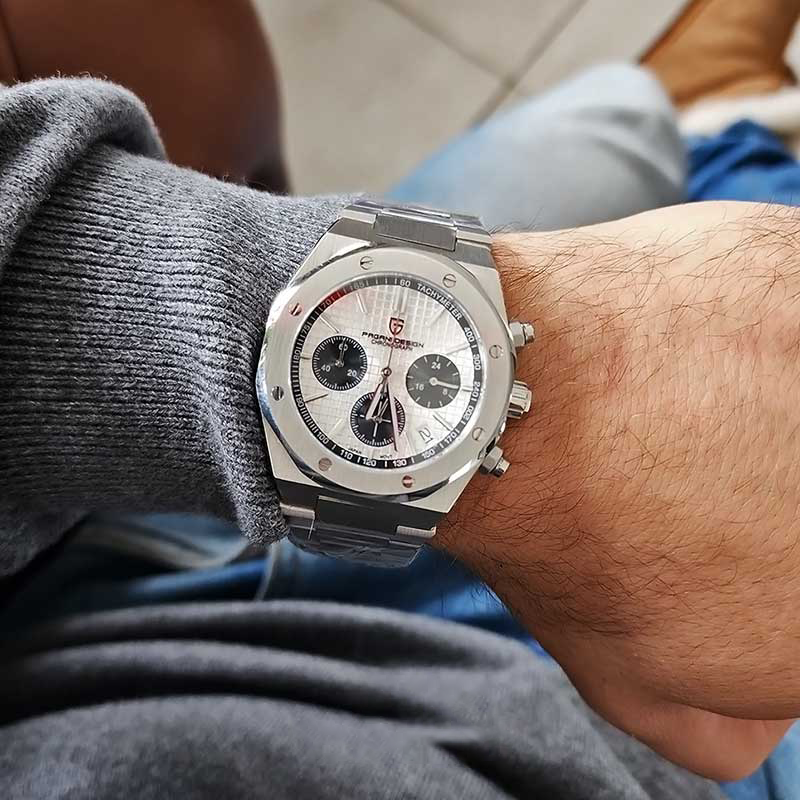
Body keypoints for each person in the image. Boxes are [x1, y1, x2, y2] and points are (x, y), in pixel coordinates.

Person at [3, 1, 800, 798]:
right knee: (626, 133)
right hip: (160, 685)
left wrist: (569, 361)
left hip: (94, 498)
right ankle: (737, 148)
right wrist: (555, 440)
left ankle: (722, 139)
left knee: (619, 117)